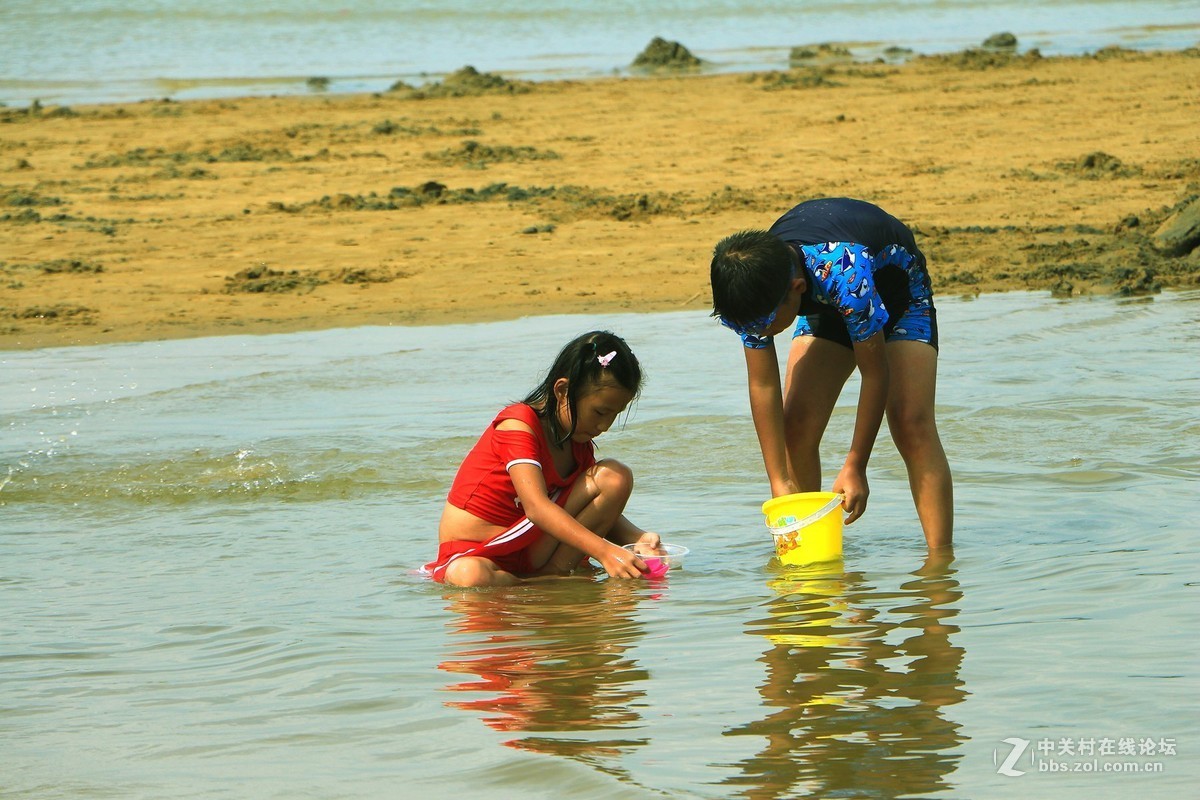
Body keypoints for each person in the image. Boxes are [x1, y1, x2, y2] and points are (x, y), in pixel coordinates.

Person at [709, 197, 953, 549]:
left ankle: (939, 568)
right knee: (795, 427)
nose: (757, 333)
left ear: (796, 290)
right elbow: (762, 383)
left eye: (763, 326)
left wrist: (856, 464)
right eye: (742, 327)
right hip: (828, 302)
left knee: (909, 421)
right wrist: (779, 482)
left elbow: (875, 374)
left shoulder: (843, 272)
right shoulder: (752, 292)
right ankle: (812, 554)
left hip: (898, 295)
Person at [424, 330, 662, 587]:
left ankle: (552, 577)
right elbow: (537, 508)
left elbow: (589, 508)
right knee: (469, 576)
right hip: (478, 550)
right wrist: (605, 552)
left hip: (535, 550)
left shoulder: (577, 442)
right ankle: (545, 583)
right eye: (600, 412)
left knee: (614, 477)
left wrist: (638, 538)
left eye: (614, 414)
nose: (604, 426)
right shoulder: (518, 425)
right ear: (562, 390)